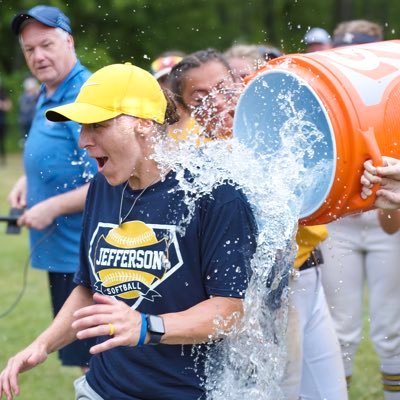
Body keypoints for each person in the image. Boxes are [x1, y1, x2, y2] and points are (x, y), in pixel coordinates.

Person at [0, 63, 257, 400]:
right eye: (82, 127)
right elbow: (89, 287)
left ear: (144, 125)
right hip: (103, 389)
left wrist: (146, 327)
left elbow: (229, 312)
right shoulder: (103, 187)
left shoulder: (215, 195)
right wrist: (42, 344)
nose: (83, 141)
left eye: (98, 126)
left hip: (189, 392)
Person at [170, 48, 347, 400]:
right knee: (280, 389)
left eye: (223, 87)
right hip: (264, 294)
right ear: (187, 111)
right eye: (200, 98)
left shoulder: (277, 128)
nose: (217, 103)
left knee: (331, 393)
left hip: (308, 273)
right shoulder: (201, 164)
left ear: (241, 81)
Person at [7, 5, 97, 370]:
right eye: (29, 50)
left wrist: (52, 207)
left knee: (96, 365)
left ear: (69, 41)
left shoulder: (85, 94)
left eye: (46, 45)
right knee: (82, 363)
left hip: (83, 259)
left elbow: (110, 182)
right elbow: (63, 157)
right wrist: (30, 178)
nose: (38, 56)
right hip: (60, 255)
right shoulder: (51, 91)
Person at [320, 20, 400, 400]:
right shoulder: (328, 96)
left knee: (392, 328)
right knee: (341, 328)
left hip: (391, 218)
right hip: (341, 224)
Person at [18, 76, 39, 144]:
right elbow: (24, 109)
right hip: (27, 121)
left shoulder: (38, 96)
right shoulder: (24, 97)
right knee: (28, 139)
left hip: (34, 120)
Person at [0, 83, 12, 165]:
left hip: (1, 121)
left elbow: (8, 107)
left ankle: (3, 160)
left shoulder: (2, 93)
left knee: (1, 141)